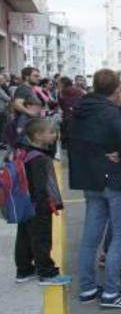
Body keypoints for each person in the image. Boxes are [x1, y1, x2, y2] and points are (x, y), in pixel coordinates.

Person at [69, 69, 121, 309]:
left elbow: (71, 141)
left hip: (90, 179)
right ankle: (111, 292)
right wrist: (120, 154)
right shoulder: (109, 112)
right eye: (120, 89)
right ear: (114, 90)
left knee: (91, 237)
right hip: (114, 180)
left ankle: (88, 287)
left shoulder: (81, 109)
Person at [14, 119, 69, 286]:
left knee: (24, 236)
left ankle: (24, 269)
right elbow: (40, 186)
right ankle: (47, 273)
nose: (55, 136)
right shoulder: (38, 158)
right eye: (51, 132)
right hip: (39, 205)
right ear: (38, 136)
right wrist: (44, 205)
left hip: (24, 202)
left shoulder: (24, 151)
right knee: (42, 239)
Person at [57, 77, 84, 150]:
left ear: (62, 84)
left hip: (67, 118)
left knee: (67, 143)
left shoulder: (61, 92)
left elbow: (61, 105)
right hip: (78, 118)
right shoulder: (79, 91)